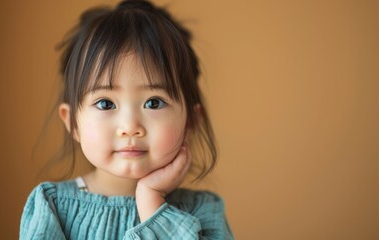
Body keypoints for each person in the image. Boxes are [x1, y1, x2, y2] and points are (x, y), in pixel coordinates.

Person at [20, 0, 234, 239]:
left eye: (154, 102)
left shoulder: (203, 212)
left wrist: (152, 202)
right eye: (105, 103)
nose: (130, 127)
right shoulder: (52, 206)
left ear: (190, 122)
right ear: (72, 122)